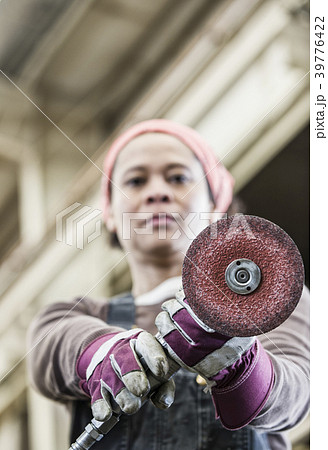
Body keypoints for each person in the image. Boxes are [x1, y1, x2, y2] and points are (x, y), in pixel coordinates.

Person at [27, 119, 310, 450]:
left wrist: (239, 363)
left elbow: (295, 395)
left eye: (178, 178)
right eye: (135, 181)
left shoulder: (267, 298)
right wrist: (104, 353)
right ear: (110, 215)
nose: (157, 192)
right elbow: (51, 344)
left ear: (215, 206)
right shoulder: (82, 314)